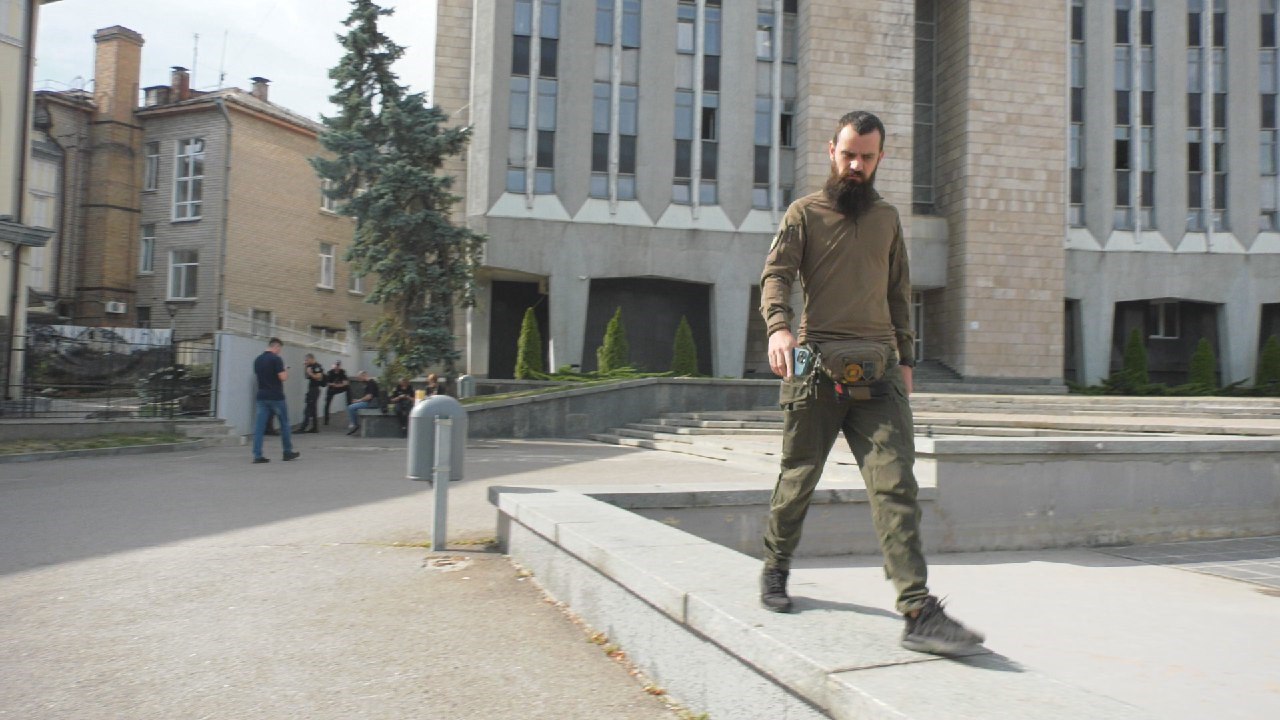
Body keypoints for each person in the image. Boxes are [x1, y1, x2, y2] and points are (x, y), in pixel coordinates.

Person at [757, 111, 983, 655]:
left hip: (880, 375)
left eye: (867, 157)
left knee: (895, 485)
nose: (856, 166)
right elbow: (777, 274)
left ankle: (917, 609)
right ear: (830, 150)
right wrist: (779, 327)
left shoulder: (886, 218)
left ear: (880, 159)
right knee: (797, 478)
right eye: (848, 154)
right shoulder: (803, 213)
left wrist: (906, 358)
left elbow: (898, 288)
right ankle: (775, 566)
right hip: (815, 372)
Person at [252, 337, 300, 464]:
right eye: (280, 349)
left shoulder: (258, 360)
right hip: (276, 396)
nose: (280, 351)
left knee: (259, 427)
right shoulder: (276, 359)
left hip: (262, 396)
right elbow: (283, 377)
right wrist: (285, 370)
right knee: (284, 424)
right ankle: (287, 452)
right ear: (276, 346)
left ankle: (257, 455)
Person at [295, 353, 325, 433]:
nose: (306, 361)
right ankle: (315, 428)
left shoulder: (317, 366)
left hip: (315, 390)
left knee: (308, 409)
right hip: (311, 389)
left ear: (312, 358)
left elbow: (319, 377)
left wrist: (311, 373)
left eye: (307, 360)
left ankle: (303, 428)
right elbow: (306, 376)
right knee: (313, 409)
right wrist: (305, 367)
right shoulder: (309, 366)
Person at [345, 371, 381, 436]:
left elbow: (369, 397)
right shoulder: (368, 383)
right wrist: (359, 401)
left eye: (359, 378)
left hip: (371, 403)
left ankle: (354, 424)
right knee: (353, 407)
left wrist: (358, 401)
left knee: (351, 407)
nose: (359, 380)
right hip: (369, 402)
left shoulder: (371, 383)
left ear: (364, 375)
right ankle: (354, 423)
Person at [323, 360, 350, 425]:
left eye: (338, 365)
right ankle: (326, 420)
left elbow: (346, 383)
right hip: (332, 389)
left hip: (339, 387)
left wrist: (339, 385)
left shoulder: (342, 372)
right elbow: (328, 383)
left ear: (340, 366)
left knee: (348, 388)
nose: (337, 367)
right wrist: (335, 385)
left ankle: (349, 403)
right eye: (336, 365)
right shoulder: (330, 372)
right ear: (334, 365)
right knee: (327, 404)